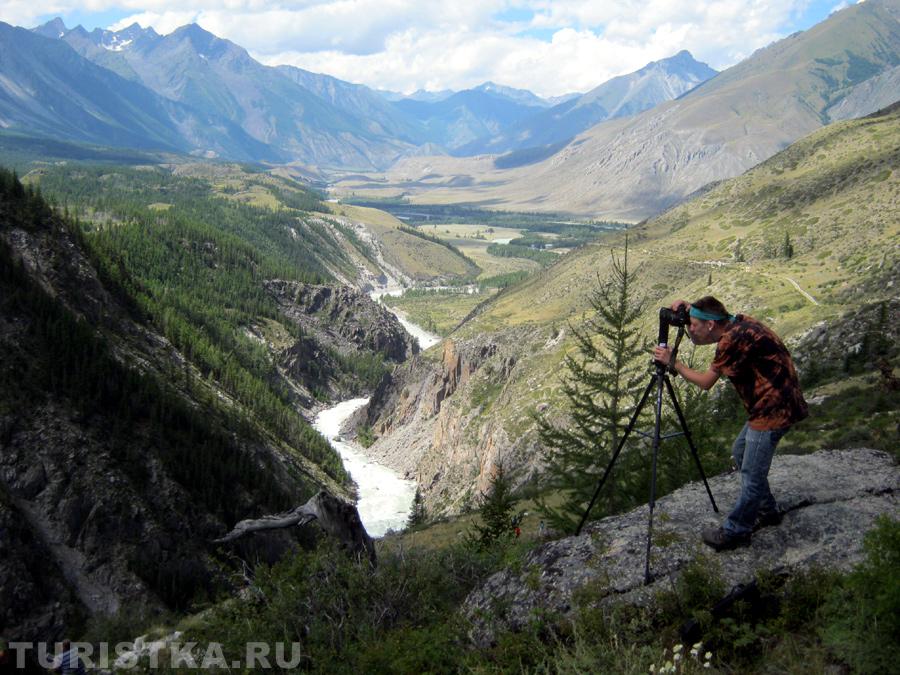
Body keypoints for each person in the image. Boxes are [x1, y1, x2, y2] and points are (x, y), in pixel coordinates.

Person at [653, 296, 808, 551]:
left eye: (693, 324)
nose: (690, 330)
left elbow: (705, 382)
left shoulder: (731, 341)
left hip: (772, 411)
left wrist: (674, 362)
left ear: (711, 326)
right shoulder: (738, 322)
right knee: (740, 452)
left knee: (751, 474)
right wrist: (690, 307)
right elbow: (710, 314)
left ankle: (736, 531)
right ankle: (767, 510)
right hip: (774, 403)